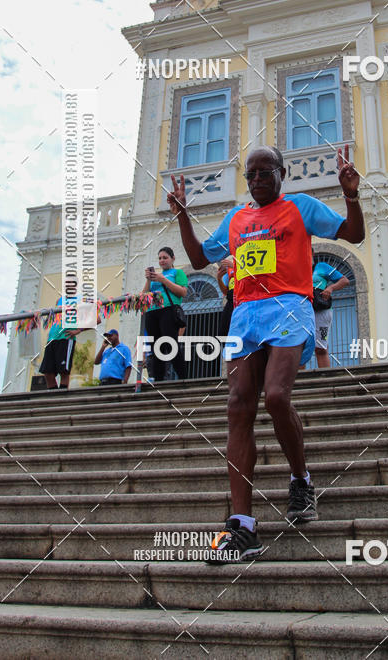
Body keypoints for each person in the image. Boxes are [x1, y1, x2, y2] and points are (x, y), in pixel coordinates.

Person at [166, 144, 364, 563]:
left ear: (281, 172)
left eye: (264, 172)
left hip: (290, 306)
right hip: (245, 315)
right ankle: (243, 527)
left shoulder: (300, 207)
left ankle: (300, 478)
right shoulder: (237, 219)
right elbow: (201, 257)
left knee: (276, 396)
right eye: (250, 174)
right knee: (238, 404)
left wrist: (350, 195)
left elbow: (353, 234)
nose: (257, 180)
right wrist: (183, 214)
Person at [141, 247, 188, 382]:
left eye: (165, 257)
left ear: (173, 258)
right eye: (160, 258)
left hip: (168, 310)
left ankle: (183, 377)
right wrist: (149, 280)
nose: (162, 260)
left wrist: (163, 280)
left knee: (170, 343)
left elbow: (183, 292)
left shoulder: (177, 273)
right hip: (152, 312)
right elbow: (144, 296)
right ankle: (159, 379)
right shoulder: (155, 278)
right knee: (156, 346)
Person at [36, 293, 89, 390]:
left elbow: (96, 319)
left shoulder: (82, 299)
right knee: (48, 372)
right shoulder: (59, 300)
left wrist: (78, 330)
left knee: (63, 371)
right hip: (52, 338)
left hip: (66, 338)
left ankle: (61, 397)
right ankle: (54, 396)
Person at [216, 257, 235, 336]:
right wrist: (219, 278)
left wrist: (234, 266)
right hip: (231, 299)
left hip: (245, 299)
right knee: (224, 331)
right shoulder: (229, 268)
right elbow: (225, 291)